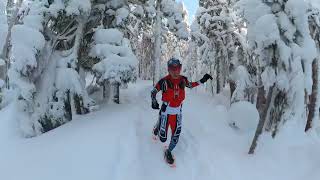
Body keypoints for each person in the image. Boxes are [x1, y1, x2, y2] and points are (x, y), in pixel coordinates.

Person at [151, 57, 212, 165]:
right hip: (166, 112)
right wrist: (153, 100)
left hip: (177, 112)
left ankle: (168, 151)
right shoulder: (164, 81)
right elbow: (154, 90)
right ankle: (158, 126)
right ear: (168, 69)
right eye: (172, 69)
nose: (175, 71)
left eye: (178, 68)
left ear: (180, 69)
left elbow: (191, 85)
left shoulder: (183, 80)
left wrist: (203, 80)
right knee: (163, 139)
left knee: (176, 134)